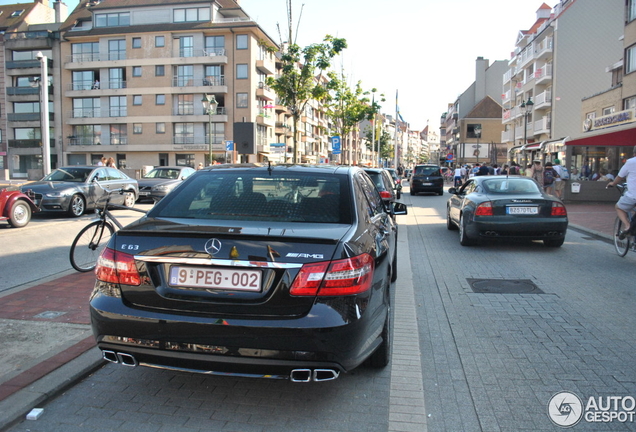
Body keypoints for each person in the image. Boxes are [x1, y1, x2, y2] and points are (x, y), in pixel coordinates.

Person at [607, 145, 636, 239]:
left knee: (619, 207)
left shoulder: (630, 162)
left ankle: (627, 226)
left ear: (634, 153)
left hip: (633, 195)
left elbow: (620, 176)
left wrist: (613, 183)